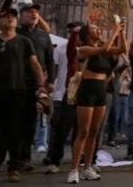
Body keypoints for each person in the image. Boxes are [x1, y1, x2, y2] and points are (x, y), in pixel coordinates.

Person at [0, 6, 47, 183]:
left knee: (15, 131)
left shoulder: (24, 41)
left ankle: (14, 167)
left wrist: (41, 88)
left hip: (18, 92)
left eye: (13, 17)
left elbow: (35, 65)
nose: (11, 19)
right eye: (6, 17)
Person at [68, 21, 127, 184]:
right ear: (87, 34)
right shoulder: (84, 49)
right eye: (95, 28)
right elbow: (103, 49)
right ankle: (74, 169)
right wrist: (114, 31)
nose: (99, 30)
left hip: (101, 90)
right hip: (87, 90)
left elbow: (122, 50)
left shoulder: (105, 51)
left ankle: (88, 166)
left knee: (94, 131)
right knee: (83, 131)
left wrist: (121, 32)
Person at [16, 3, 56, 173]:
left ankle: (25, 158)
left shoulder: (44, 36)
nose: (33, 14)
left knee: (30, 122)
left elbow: (49, 60)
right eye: (29, 11)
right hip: (16, 82)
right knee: (13, 121)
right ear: (21, 15)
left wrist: (51, 81)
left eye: (36, 12)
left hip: (36, 84)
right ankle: (13, 157)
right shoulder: (15, 33)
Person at [43, 23, 81, 174]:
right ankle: (53, 157)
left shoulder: (89, 50)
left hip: (84, 96)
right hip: (63, 93)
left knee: (80, 130)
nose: (75, 35)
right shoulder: (62, 48)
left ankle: (77, 159)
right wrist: (50, 86)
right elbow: (55, 68)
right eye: (72, 32)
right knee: (60, 128)